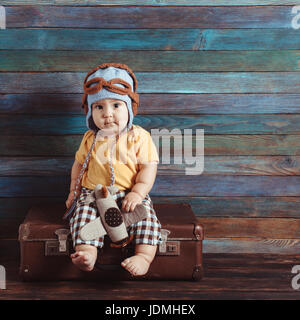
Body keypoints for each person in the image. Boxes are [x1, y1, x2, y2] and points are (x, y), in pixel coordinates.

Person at [65, 63, 162, 276]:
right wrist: (73, 191)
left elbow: (148, 167)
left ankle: (144, 256)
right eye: (99, 107)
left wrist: (138, 193)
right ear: (91, 112)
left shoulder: (139, 137)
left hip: (129, 195)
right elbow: (79, 165)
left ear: (130, 108)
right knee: (83, 217)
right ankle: (87, 253)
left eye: (116, 106)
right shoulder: (90, 138)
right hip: (93, 194)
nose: (108, 114)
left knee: (146, 219)